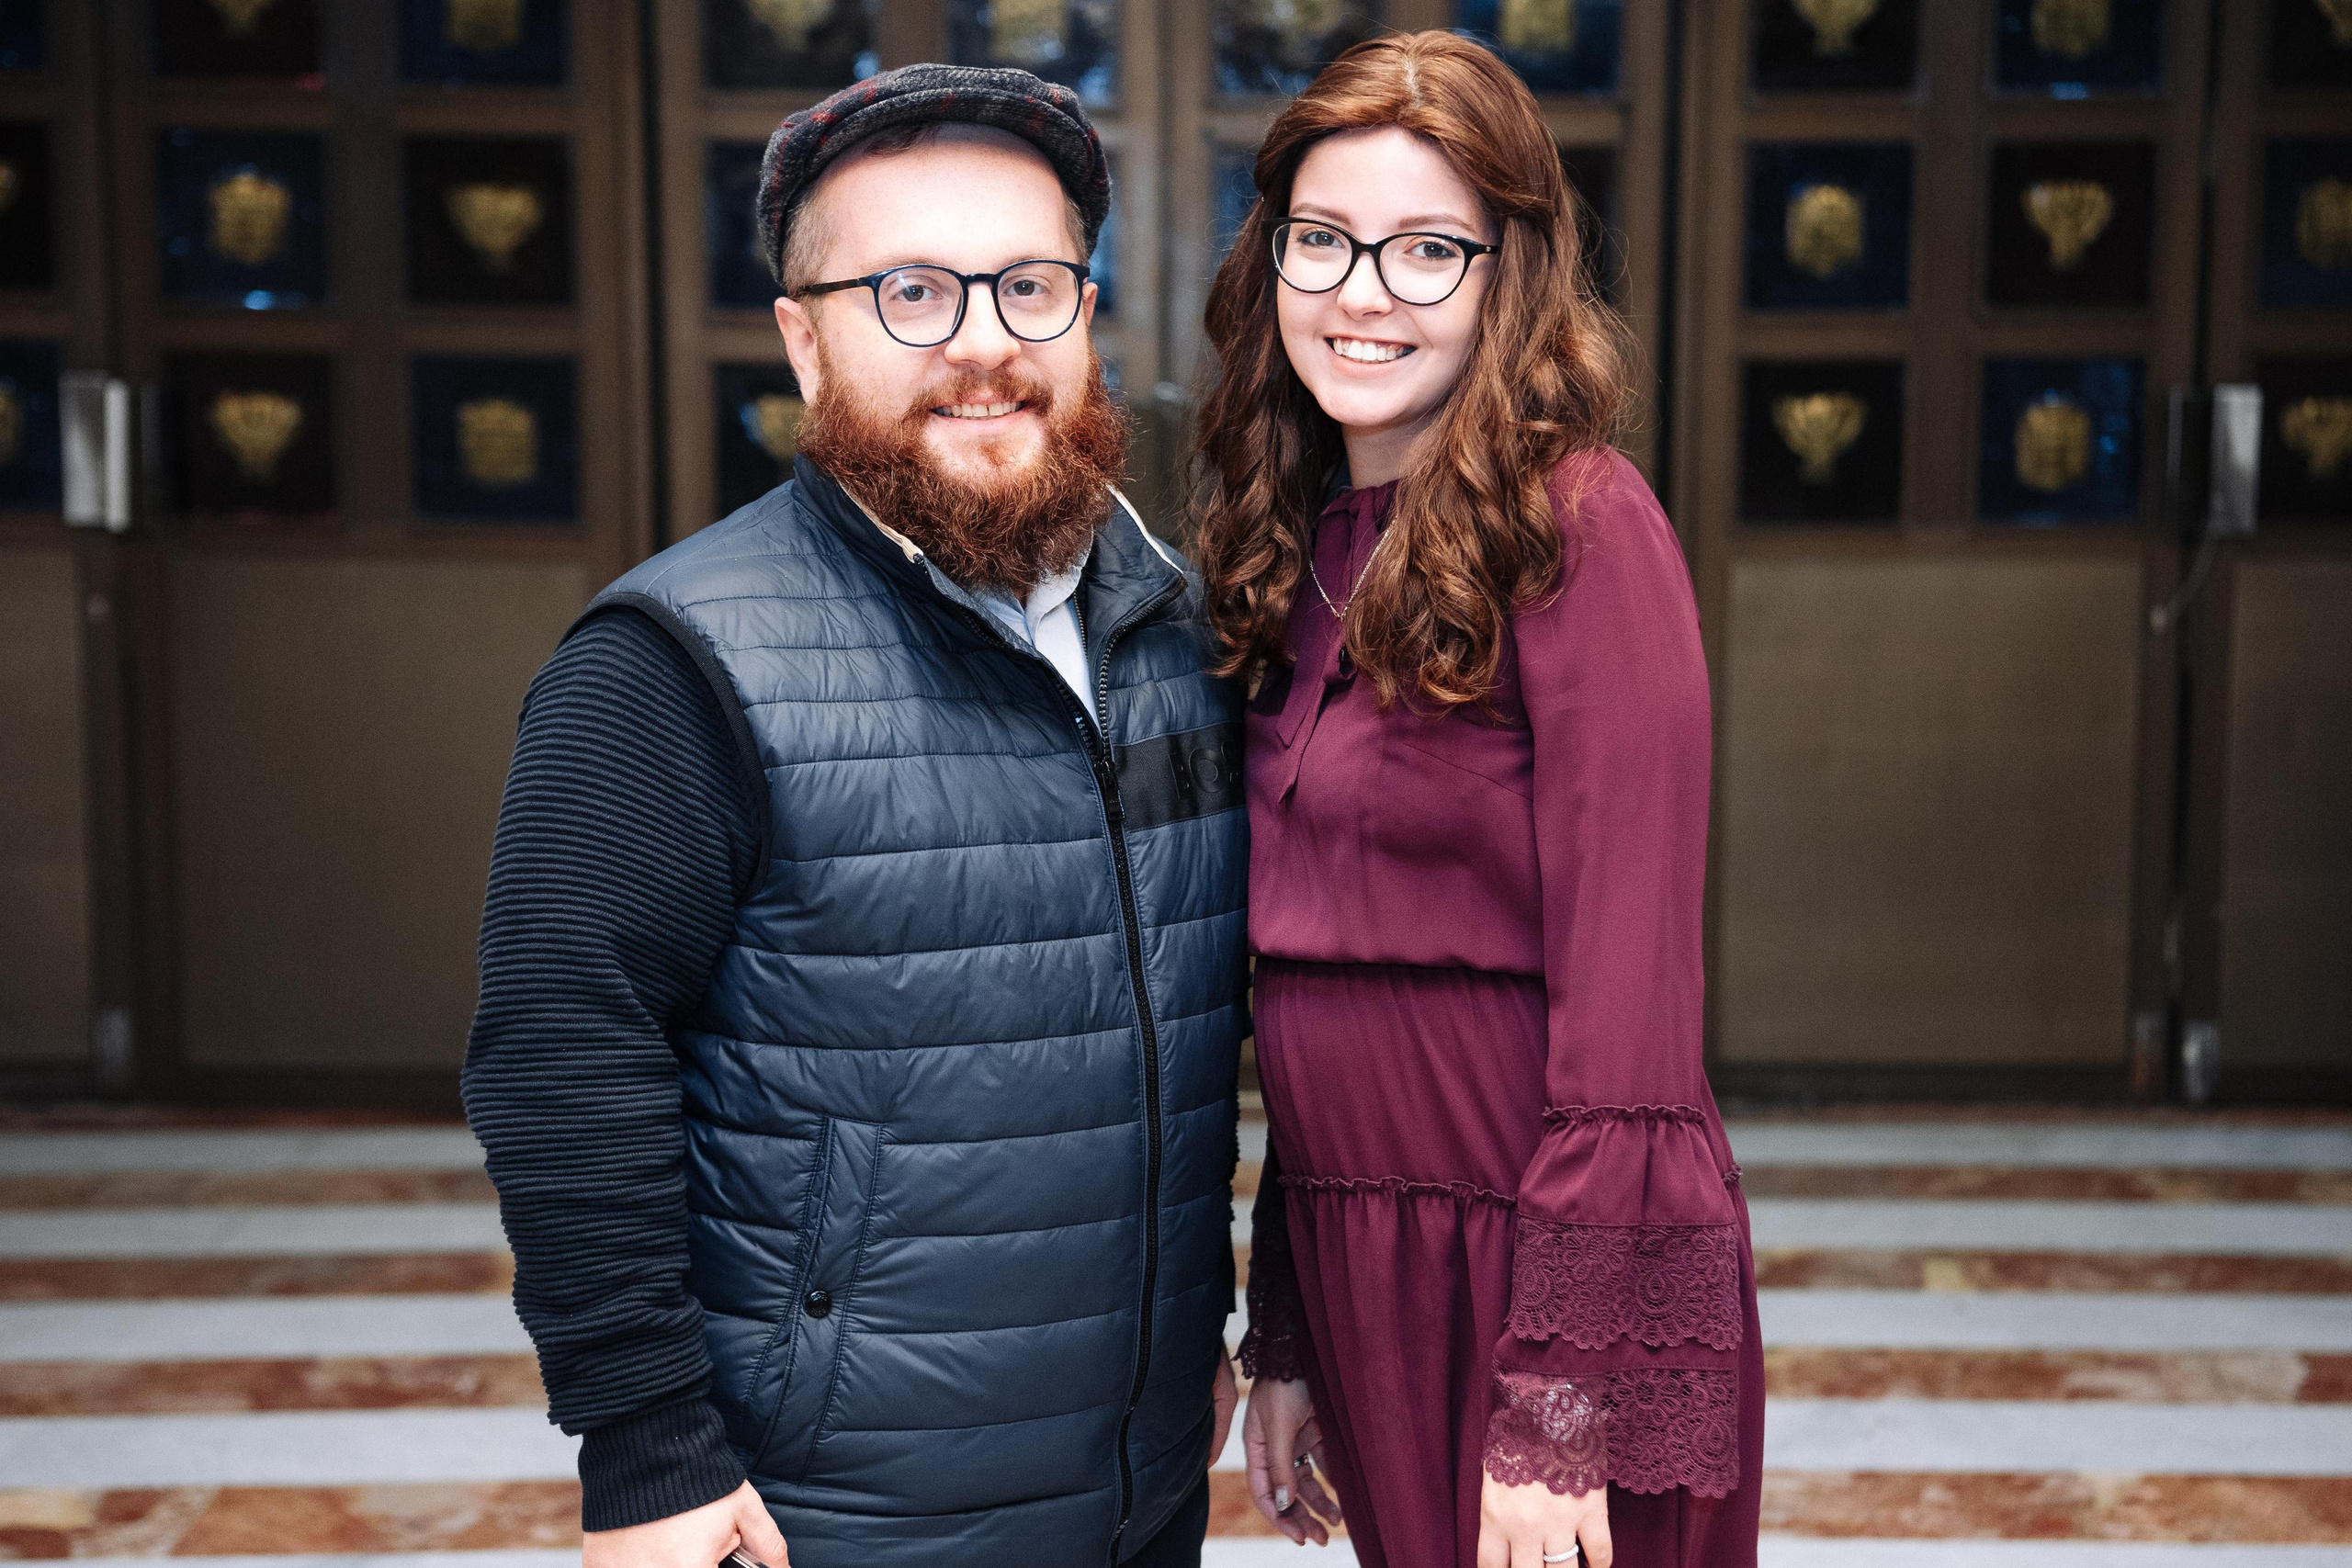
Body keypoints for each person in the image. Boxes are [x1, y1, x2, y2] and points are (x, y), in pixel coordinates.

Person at [463, 64, 1249, 1568]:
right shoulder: (676, 663)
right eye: (908, 292)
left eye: (1030, 287)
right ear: (803, 341)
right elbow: (561, 1051)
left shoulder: (1179, 636)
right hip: (823, 1505)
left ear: (1086, 317)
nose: (982, 347)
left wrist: (1199, 1333)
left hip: (1140, 1478)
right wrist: (647, 1450)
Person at [1191, 32, 1764, 1568]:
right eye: (1324, 240)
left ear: (1509, 274)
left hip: (1554, 1265)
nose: (1362, 290)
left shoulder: (1585, 528)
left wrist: (1562, 1401)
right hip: (1370, 1256)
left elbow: (1635, 1019)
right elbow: (1303, 998)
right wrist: (1291, 1322)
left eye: (1427, 249)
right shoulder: (1293, 538)